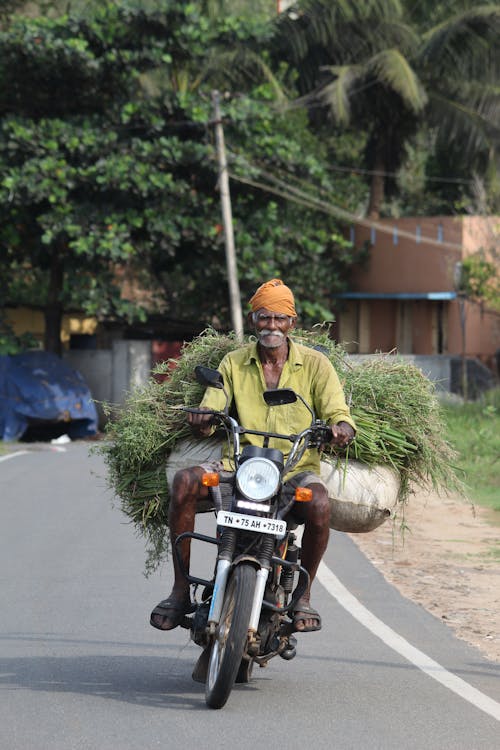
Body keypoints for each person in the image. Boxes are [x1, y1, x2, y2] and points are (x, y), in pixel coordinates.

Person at [150, 278, 356, 633]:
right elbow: (213, 402)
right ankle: (180, 590)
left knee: (320, 502)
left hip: (294, 470)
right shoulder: (233, 363)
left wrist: (341, 428)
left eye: (279, 319)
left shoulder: (317, 365)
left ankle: (303, 596)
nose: (271, 326)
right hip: (241, 466)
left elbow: (339, 410)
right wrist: (202, 418)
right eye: (264, 318)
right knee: (185, 482)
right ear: (253, 320)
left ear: (292, 323)